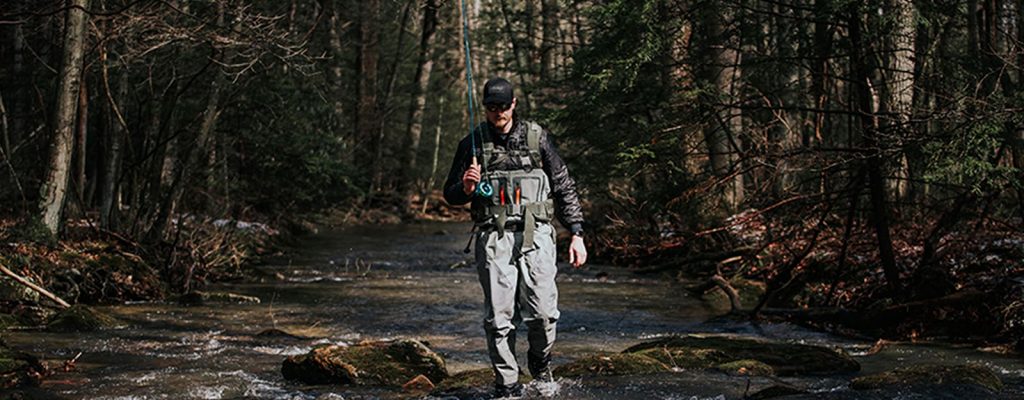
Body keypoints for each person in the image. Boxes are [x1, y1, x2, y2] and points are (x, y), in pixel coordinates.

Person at [443, 77, 588, 398]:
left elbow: (563, 186)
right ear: (486, 108)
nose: (498, 113)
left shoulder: (538, 139)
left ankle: (539, 360)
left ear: (514, 104)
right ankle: (507, 384)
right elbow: (450, 194)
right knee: (499, 318)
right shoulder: (472, 143)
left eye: (504, 106)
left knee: (544, 313)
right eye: (492, 107)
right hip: (493, 238)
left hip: (538, 235)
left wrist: (576, 233)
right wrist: (466, 188)